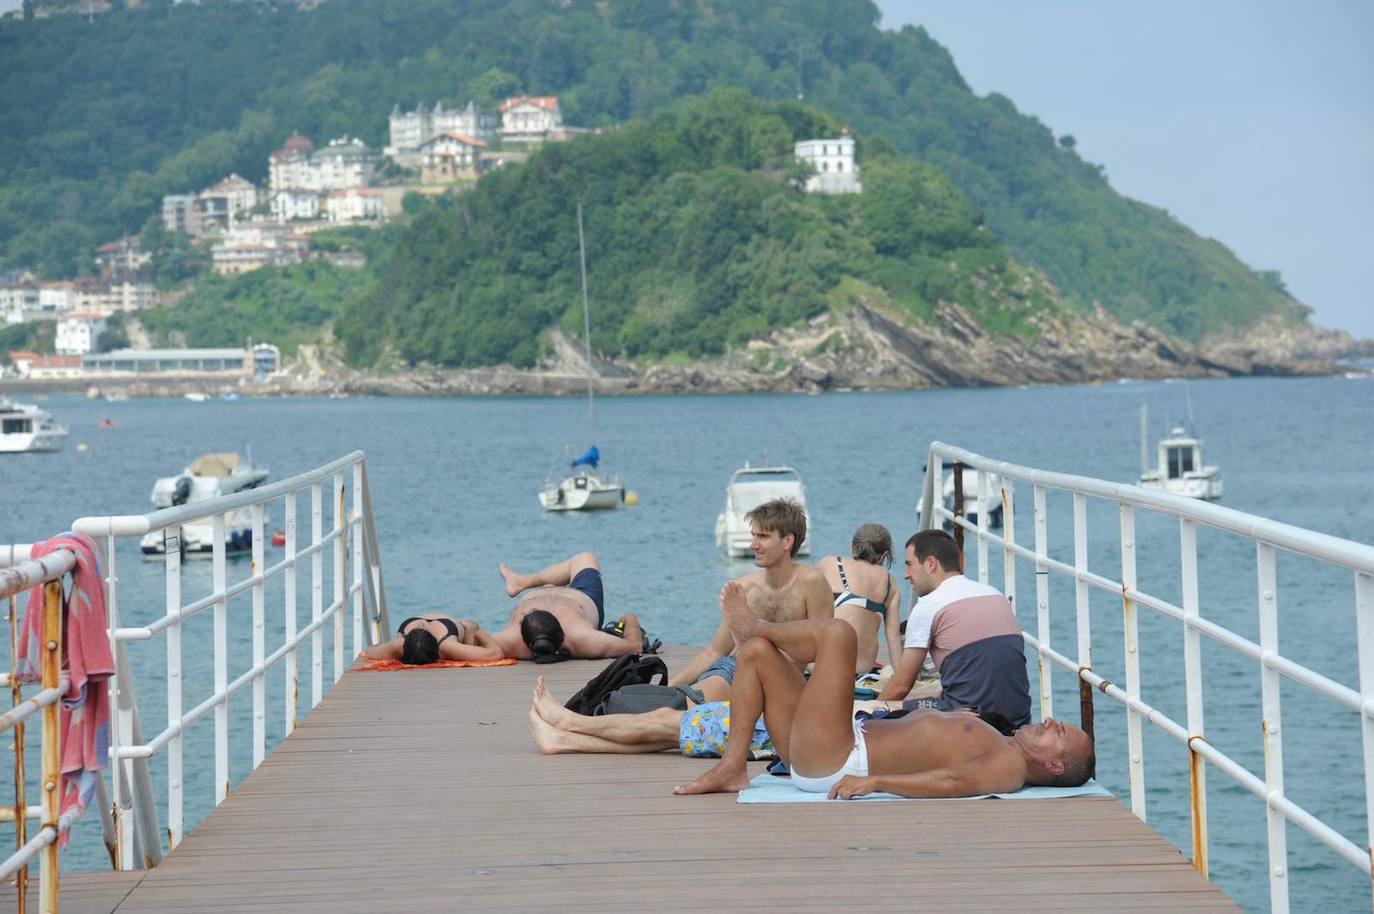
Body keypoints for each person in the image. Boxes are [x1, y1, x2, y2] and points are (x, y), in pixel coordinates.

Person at [672, 591, 1093, 799]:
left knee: (838, 635)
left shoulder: (1009, 767)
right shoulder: (1002, 743)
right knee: (758, 657)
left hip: (838, 760)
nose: (1053, 722)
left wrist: (874, 782)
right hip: (830, 748)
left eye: (1061, 733)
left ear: (1054, 765)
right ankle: (732, 767)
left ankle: (756, 625)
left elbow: (949, 783)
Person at [669, 498, 832, 689]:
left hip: (777, 681)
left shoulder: (811, 582)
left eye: (763, 536)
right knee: (677, 703)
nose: (753, 545)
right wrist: (669, 686)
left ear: (787, 541)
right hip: (733, 670)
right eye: (753, 536)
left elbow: (824, 649)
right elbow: (715, 651)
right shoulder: (744, 587)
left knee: (678, 710)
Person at [877, 530, 1032, 729]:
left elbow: (901, 686)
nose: (906, 575)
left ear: (931, 564)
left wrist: (875, 709)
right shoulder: (994, 593)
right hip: (1017, 720)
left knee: (878, 708)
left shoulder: (929, 605)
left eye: (910, 565)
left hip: (970, 717)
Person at [489, 551, 645, 662]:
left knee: (573, 565)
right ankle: (524, 582)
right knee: (585, 558)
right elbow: (634, 646)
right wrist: (630, 619)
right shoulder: (582, 638)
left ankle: (522, 582)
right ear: (562, 632)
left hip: (545, 593)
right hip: (583, 596)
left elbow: (470, 636)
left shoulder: (510, 641)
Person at [816, 523, 902, 675]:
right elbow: (893, 638)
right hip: (861, 671)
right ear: (884, 555)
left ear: (853, 547)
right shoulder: (891, 584)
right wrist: (902, 678)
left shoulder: (830, 564)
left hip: (822, 667)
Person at [363, 614, 504, 664]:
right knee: (472, 627)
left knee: (470, 627)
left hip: (450, 627)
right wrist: (479, 633)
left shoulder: (397, 645)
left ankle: (469, 626)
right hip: (453, 626)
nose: (423, 623)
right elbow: (495, 653)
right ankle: (469, 627)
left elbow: (369, 651)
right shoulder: (447, 646)